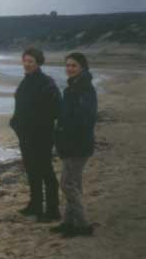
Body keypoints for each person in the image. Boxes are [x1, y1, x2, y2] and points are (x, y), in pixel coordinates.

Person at [9, 47, 61, 222]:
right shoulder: (26, 81)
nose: (27, 64)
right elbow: (21, 105)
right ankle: (35, 205)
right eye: (25, 61)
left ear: (38, 62)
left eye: (30, 61)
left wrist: (38, 124)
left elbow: (56, 110)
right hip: (25, 135)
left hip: (42, 134)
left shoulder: (47, 83)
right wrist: (15, 122)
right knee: (32, 170)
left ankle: (53, 210)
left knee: (45, 170)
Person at [51, 52, 97, 237]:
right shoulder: (73, 87)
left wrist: (64, 131)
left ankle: (83, 225)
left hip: (78, 143)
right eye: (68, 65)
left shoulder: (84, 88)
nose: (69, 69)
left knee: (68, 184)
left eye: (73, 66)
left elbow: (84, 118)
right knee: (73, 183)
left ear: (82, 68)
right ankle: (69, 222)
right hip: (72, 142)